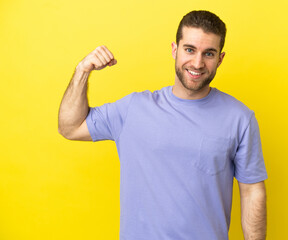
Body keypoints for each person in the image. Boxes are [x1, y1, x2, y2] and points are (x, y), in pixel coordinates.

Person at [58, 10, 268, 240]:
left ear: (220, 58)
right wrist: (82, 71)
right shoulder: (133, 109)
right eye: (189, 49)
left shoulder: (239, 118)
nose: (197, 63)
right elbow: (70, 127)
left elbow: (252, 191)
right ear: (174, 50)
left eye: (208, 53)